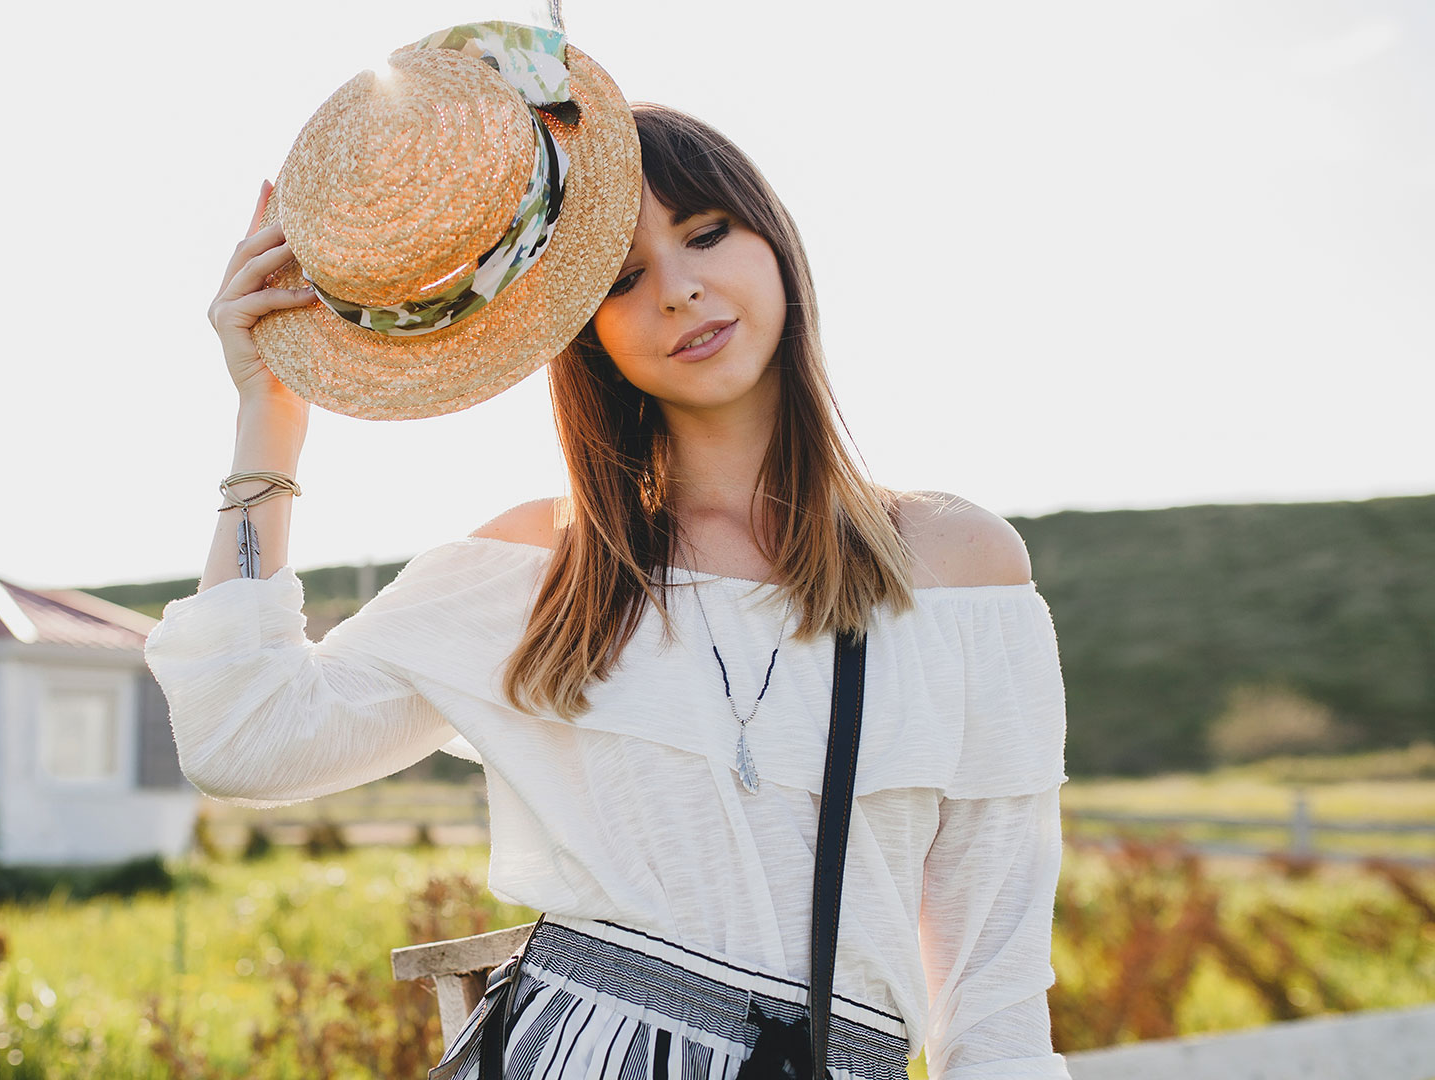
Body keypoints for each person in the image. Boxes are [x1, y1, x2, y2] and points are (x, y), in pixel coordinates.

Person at [150, 88, 1070, 1080]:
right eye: (625, 277)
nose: (678, 290)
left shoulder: (956, 569)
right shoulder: (541, 569)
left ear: (778, 248)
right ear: (583, 328)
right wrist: (271, 417)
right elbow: (244, 738)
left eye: (709, 234)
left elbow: (995, 978)